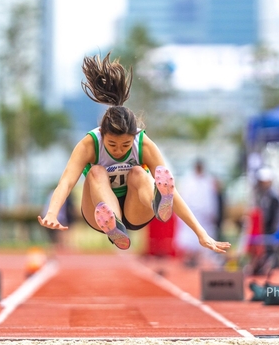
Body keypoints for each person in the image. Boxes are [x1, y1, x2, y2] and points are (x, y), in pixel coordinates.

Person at [37, 52, 230, 255]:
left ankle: (156, 203)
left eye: (126, 145)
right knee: (95, 172)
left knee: (139, 172)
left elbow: (173, 192)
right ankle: (113, 223)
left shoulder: (144, 144)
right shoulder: (89, 144)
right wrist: (52, 212)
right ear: (102, 134)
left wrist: (200, 232)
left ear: (134, 136)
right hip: (97, 210)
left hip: (136, 209)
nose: (119, 150)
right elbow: (66, 182)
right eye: (112, 145)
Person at [173, 158, 221, 267]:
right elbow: (182, 198)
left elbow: (211, 199)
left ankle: (197, 259)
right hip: (190, 213)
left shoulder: (208, 181)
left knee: (203, 237)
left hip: (204, 216)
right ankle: (189, 257)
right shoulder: (187, 180)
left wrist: (213, 213)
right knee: (189, 238)